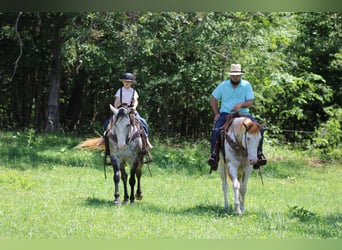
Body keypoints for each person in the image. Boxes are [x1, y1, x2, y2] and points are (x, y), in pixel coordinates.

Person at [207, 64, 266, 172]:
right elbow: (213, 98)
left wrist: (241, 105)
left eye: (237, 75)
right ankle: (214, 156)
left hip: (244, 113)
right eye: (233, 75)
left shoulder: (246, 85)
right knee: (216, 131)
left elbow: (250, 101)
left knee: (260, 129)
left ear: (240, 75)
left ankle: (259, 154)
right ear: (230, 75)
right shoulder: (223, 85)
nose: (235, 77)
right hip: (226, 114)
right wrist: (216, 113)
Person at [98, 73, 153, 159]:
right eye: (125, 81)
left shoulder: (133, 91)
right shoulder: (119, 91)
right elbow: (116, 100)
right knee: (107, 122)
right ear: (122, 82)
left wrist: (134, 107)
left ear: (131, 83)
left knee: (143, 122)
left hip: (131, 110)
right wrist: (116, 109)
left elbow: (135, 101)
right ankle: (104, 138)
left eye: (128, 82)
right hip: (120, 110)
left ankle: (146, 139)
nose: (126, 83)